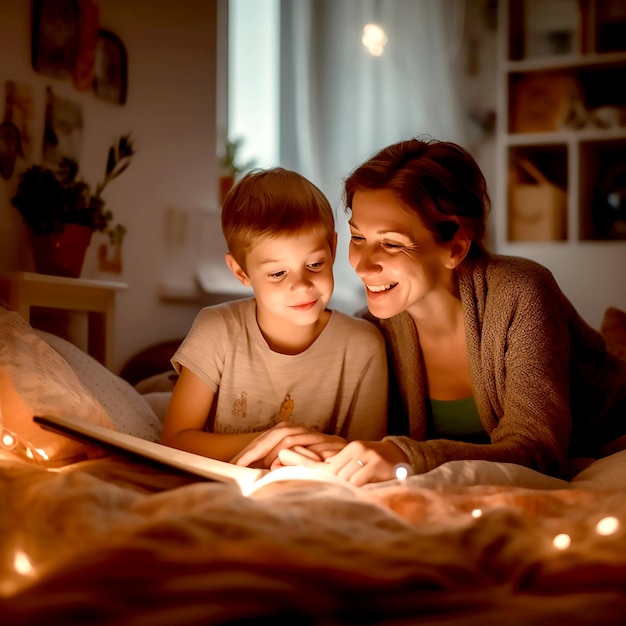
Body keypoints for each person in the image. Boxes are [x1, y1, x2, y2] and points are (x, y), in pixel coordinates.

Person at [253, 137, 626, 485]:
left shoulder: (521, 291)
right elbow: (380, 444)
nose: (363, 266)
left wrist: (408, 456)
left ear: (455, 248)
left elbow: (538, 450)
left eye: (392, 244)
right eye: (359, 238)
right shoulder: (374, 331)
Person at [160, 167, 388, 468]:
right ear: (241, 272)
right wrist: (276, 441)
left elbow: (364, 459)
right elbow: (174, 441)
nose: (302, 285)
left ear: (332, 248)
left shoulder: (364, 346)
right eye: (278, 273)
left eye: (315, 264)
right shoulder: (217, 329)